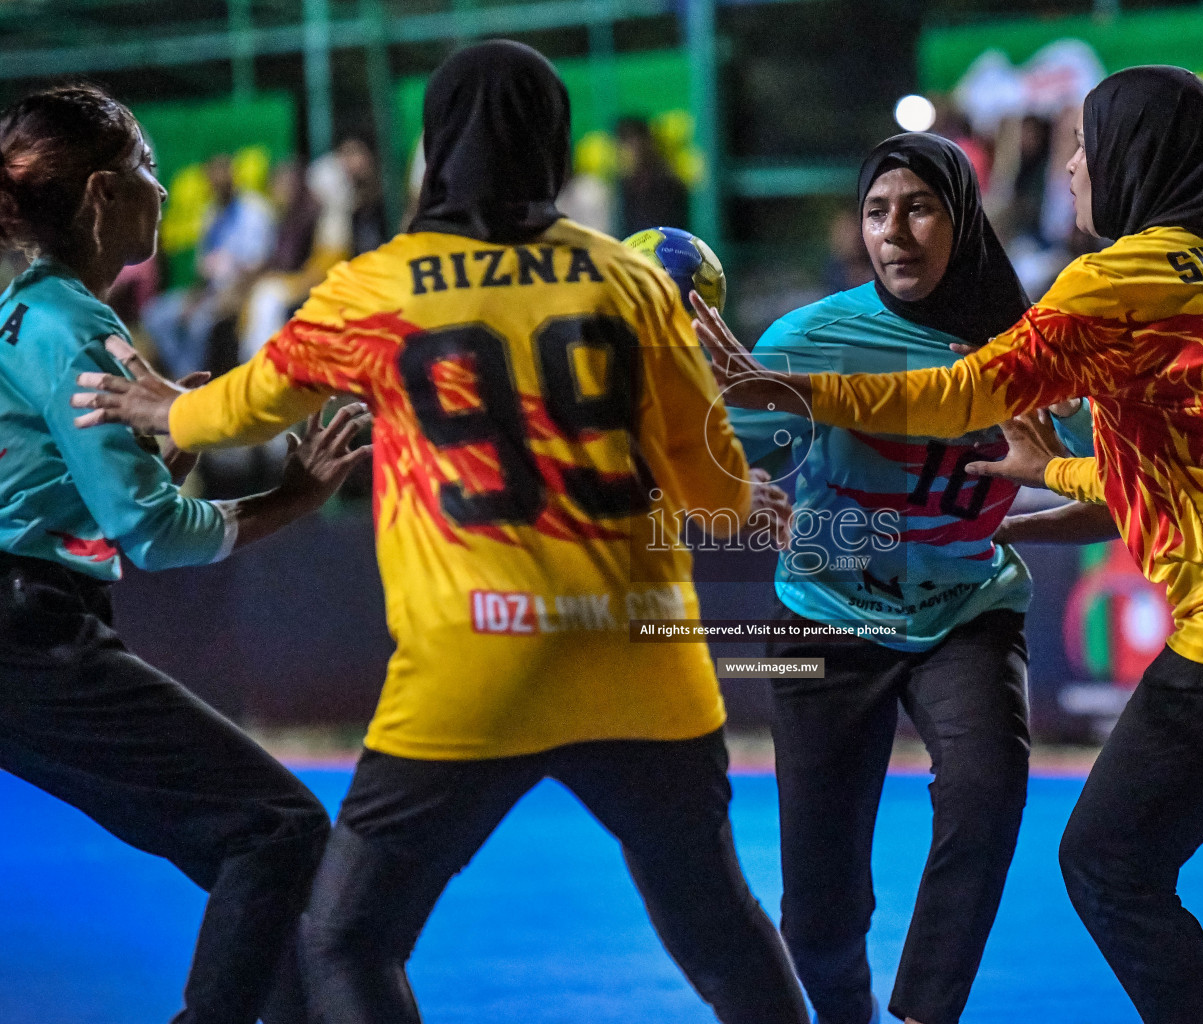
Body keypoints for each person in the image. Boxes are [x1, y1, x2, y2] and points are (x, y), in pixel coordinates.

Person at [693, 66, 1203, 1024]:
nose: (1069, 166)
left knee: (1110, 860)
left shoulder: (1115, 280)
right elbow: (1181, 464)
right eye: (876, 210)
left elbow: (962, 396)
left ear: (1130, 161)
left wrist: (798, 393)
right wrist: (1047, 481)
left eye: (1085, 145)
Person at [74, 41, 809, 1024]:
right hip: (641, 661)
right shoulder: (628, 284)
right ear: (553, 146)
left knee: (349, 940)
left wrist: (165, 409)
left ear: (437, 149)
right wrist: (746, 491)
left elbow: (246, 406)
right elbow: (711, 490)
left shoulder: (380, 285)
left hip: (475, 664)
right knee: (718, 931)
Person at [0, 84, 368, 1023]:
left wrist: (167, 450)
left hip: (30, 628)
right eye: (148, 173)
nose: (164, 193)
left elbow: (66, 492)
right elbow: (155, 534)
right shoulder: (75, 326)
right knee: (280, 828)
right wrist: (297, 498)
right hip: (30, 636)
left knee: (252, 854)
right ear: (99, 197)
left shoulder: (29, 315)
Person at [729, 132, 1093, 1024]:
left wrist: (1047, 494)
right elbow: (723, 472)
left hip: (968, 607)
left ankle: (927, 1012)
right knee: (816, 909)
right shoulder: (805, 341)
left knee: (987, 788)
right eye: (878, 211)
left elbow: (1101, 481)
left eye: (920, 206)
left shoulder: (1029, 348)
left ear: (961, 219)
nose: (896, 230)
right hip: (821, 616)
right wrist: (735, 486)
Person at [143, 152, 275, 379]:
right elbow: (205, 270)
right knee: (156, 314)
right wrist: (193, 298)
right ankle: (182, 378)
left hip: (239, 291)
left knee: (198, 324)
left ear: (233, 175)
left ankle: (194, 385)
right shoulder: (211, 213)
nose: (218, 180)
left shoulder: (254, 210)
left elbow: (261, 264)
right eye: (213, 175)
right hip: (211, 292)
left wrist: (234, 295)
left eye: (223, 173)